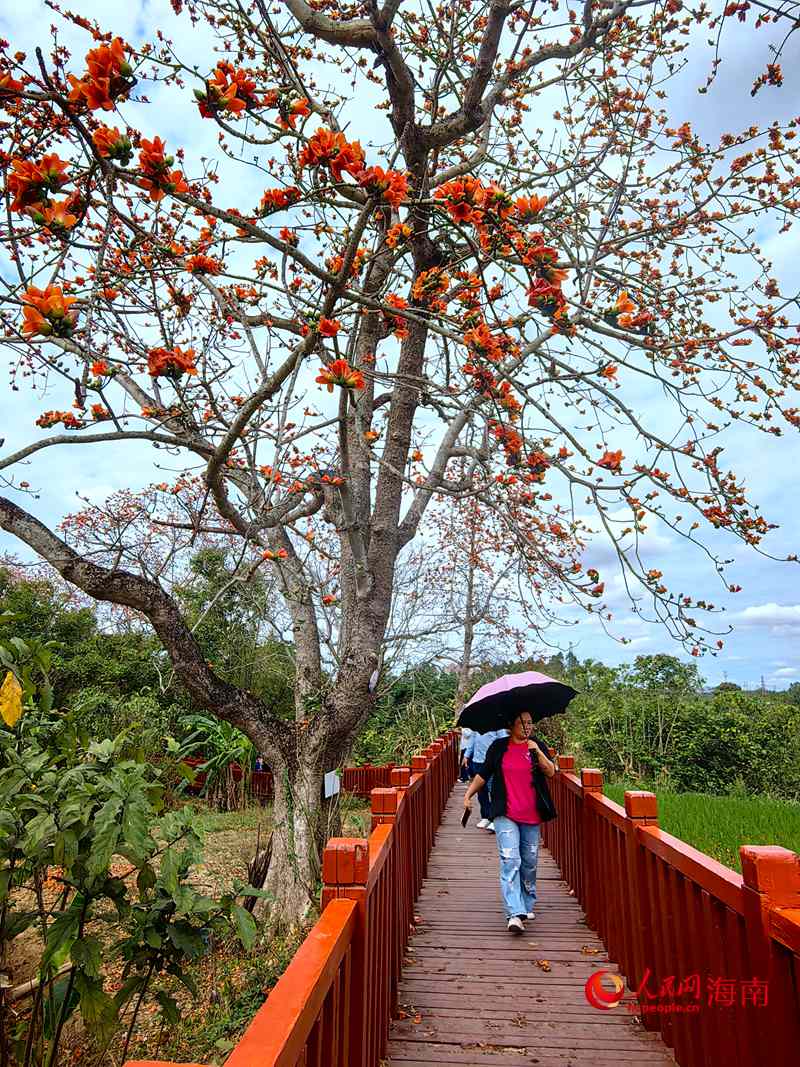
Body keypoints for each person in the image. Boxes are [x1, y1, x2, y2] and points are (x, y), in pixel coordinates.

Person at [463, 711, 557, 934]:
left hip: (532, 813)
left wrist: (538, 753)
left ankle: (526, 901)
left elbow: (551, 772)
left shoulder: (537, 746)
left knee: (529, 861)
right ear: (510, 726)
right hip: (505, 813)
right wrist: (467, 796)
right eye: (522, 723)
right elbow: (483, 775)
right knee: (510, 859)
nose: (527, 727)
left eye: (530, 722)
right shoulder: (499, 747)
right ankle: (514, 913)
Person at [462, 727, 508, 831]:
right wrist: (467, 755)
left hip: (492, 762)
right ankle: (485, 816)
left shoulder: (497, 725)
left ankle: (495, 819)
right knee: (481, 791)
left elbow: (504, 740)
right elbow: (472, 740)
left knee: (493, 790)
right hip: (477, 760)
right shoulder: (477, 724)